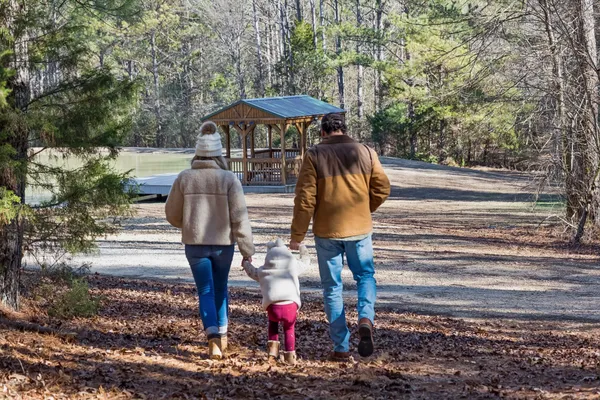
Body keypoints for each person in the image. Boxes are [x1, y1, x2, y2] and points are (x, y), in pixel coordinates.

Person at [289, 112, 390, 360]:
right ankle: (366, 318)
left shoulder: (314, 155)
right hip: (360, 230)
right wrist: (365, 209)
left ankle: (341, 348)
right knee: (365, 276)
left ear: (323, 132)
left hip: (326, 231)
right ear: (344, 129)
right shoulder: (366, 151)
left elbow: (305, 200)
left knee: (332, 288)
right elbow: (382, 188)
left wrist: (297, 236)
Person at [165, 121, 254, 360]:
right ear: (218, 154)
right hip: (224, 245)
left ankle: (212, 338)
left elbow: (171, 214)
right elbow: (239, 217)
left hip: (195, 245)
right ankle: (223, 339)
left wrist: (189, 224)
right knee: (221, 288)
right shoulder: (229, 179)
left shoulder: (185, 178)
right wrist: (247, 249)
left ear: (197, 153)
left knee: (205, 290)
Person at [242, 238, 311, 365]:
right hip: (290, 305)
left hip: (273, 307)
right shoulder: (293, 267)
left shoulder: (263, 271)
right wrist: (302, 247)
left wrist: (246, 261)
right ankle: (290, 355)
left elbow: (251, 271)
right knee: (289, 328)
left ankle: (272, 354)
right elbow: (306, 261)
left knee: (273, 326)